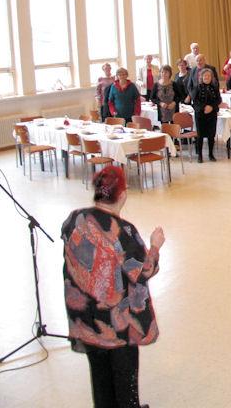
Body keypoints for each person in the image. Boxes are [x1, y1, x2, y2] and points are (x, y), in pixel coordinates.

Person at [62, 165, 164, 408]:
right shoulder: (124, 233)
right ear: (123, 195)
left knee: (100, 378)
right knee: (125, 381)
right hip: (117, 325)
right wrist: (155, 246)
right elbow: (144, 270)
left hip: (85, 318)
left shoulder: (74, 219)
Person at [192, 68, 220, 162]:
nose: (207, 77)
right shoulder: (197, 87)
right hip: (201, 114)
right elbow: (195, 101)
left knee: (211, 135)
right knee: (200, 135)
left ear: (211, 77)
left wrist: (211, 107)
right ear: (201, 77)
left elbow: (218, 100)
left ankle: (211, 154)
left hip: (212, 114)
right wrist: (204, 107)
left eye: (209, 76)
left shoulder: (214, 87)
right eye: (205, 75)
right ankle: (200, 156)